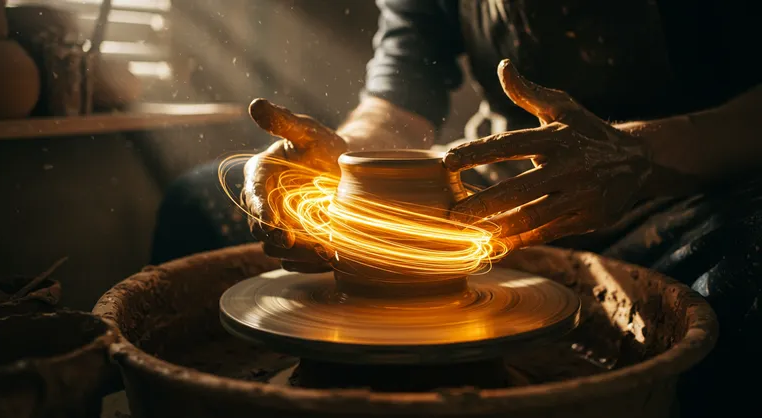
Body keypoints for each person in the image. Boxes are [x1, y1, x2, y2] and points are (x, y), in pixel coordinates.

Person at [152, 1, 761, 415]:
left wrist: (636, 156)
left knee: (744, 287)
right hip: (487, 183)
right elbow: (395, 105)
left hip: (685, 178)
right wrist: (338, 164)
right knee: (196, 206)